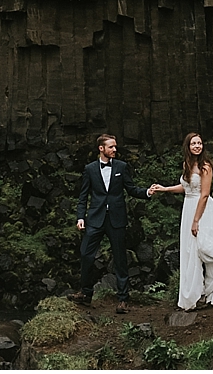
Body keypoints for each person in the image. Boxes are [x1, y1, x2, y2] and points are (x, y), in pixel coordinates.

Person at [150, 132, 213, 311]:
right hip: (189, 207)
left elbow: (204, 194)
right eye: (193, 143)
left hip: (203, 210)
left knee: (209, 247)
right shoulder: (187, 164)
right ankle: (199, 293)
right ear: (188, 147)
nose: (197, 146)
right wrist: (165, 189)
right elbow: (186, 187)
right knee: (193, 252)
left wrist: (196, 220)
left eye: (199, 143)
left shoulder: (205, 166)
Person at [67, 134, 155, 314]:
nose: (115, 149)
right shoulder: (90, 169)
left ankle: (123, 299)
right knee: (86, 254)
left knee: (120, 258)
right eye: (111, 147)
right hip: (95, 218)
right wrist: (80, 217)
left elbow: (131, 189)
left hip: (116, 218)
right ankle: (85, 293)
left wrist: (147, 192)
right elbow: (83, 195)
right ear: (101, 148)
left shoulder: (122, 167)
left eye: (115, 147)